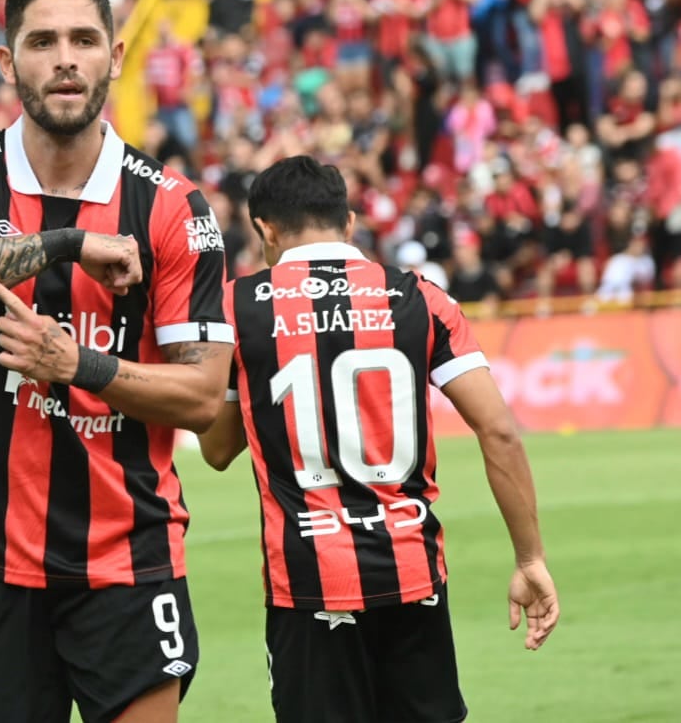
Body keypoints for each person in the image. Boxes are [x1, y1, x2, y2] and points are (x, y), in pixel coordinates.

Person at [0, 0, 235, 723]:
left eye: (83, 39)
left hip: (127, 556)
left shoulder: (174, 207)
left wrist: (77, 364)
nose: (66, 59)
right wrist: (68, 243)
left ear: (114, 56)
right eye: (42, 42)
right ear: (9, 62)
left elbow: (203, 395)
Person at [196, 156, 561, 723]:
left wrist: (265, 378)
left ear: (265, 229)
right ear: (349, 223)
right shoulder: (421, 297)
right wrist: (530, 557)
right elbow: (499, 431)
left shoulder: (236, 305)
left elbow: (217, 450)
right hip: (412, 573)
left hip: (309, 583)